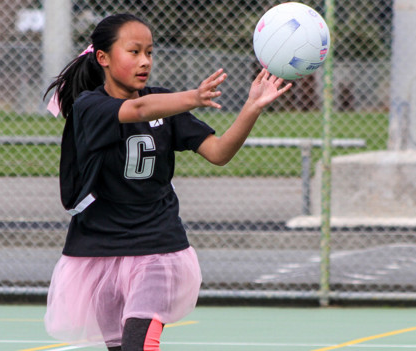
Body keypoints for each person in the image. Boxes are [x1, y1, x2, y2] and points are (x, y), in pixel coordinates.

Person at [42, 13, 291, 351]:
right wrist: (194, 96)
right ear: (103, 58)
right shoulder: (90, 106)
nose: (145, 61)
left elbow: (218, 152)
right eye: (134, 52)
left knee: (138, 345)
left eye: (150, 52)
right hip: (98, 249)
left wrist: (251, 108)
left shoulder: (166, 104)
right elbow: (139, 109)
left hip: (156, 244)